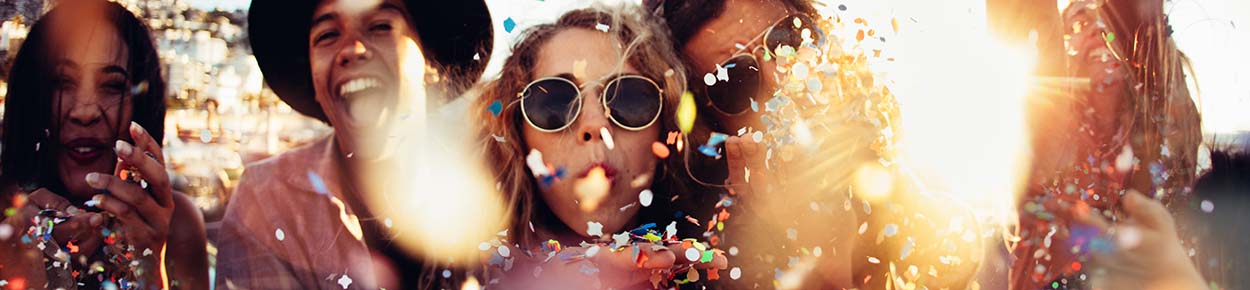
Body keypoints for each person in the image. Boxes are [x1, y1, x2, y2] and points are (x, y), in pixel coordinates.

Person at [649, 0, 982, 288]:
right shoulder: (698, 261)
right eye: (735, 79)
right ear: (710, 129)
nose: (781, 79)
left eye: (788, 41)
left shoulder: (942, 223)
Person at [213, 0, 493, 289]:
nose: (353, 48)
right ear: (313, 81)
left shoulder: (501, 191)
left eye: (381, 26)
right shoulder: (266, 199)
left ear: (431, 62)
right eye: (327, 36)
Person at [471, 4, 727, 289]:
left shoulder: (728, 255)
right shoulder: (459, 272)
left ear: (665, 126)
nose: (596, 126)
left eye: (628, 98)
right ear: (519, 134)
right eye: (555, 103)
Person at [0, 1, 208, 289]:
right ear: (34, 98)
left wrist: (147, 266)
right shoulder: (4, 221)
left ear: (140, 106)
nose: (85, 112)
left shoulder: (176, 225)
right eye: (62, 82)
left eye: (112, 85)